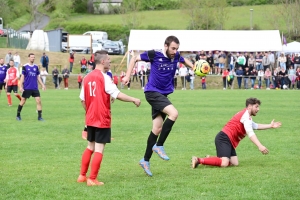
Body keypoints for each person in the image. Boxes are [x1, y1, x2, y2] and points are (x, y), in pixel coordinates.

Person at [121, 35, 194, 177]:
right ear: (165, 46)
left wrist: (194, 67)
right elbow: (135, 58)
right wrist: (128, 76)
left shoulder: (176, 56)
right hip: (152, 92)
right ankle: (159, 145)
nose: (175, 51)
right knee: (174, 113)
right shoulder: (155, 54)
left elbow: (185, 60)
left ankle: (145, 160)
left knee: (157, 128)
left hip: (162, 95)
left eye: (177, 49)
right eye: (172, 48)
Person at [77, 50, 141, 186]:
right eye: (109, 60)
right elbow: (118, 94)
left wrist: (90, 111)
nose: (110, 62)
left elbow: (83, 100)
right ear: (102, 61)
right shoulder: (104, 77)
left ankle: (82, 176)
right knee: (99, 149)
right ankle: (92, 179)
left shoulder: (87, 77)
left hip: (90, 118)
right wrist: (134, 99)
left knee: (90, 146)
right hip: (102, 119)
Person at [191, 97, 282, 169]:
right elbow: (250, 133)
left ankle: (210, 158)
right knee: (225, 163)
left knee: (235, 163)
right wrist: (260, 146)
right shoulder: (246, 116)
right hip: (224, 138)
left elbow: (255, 126)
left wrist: (270, 126)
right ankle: (198, 160)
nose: (258, 109)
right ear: (250, 106)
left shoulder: (247, 116)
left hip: (228, 140)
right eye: (256, 106)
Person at [16, 53, 46, 121]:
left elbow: (38, 77)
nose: (33, 58)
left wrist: (42, 84)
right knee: (23, 101)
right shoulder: (25, 66)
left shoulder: (36, 67)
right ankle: (18, 115)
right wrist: (20, 86)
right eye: (32, 57)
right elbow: (22, 77)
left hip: (35, 87)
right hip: (27, 87)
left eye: (34, 57)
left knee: (38, 101)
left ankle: (40, 117)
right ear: (28, 58)